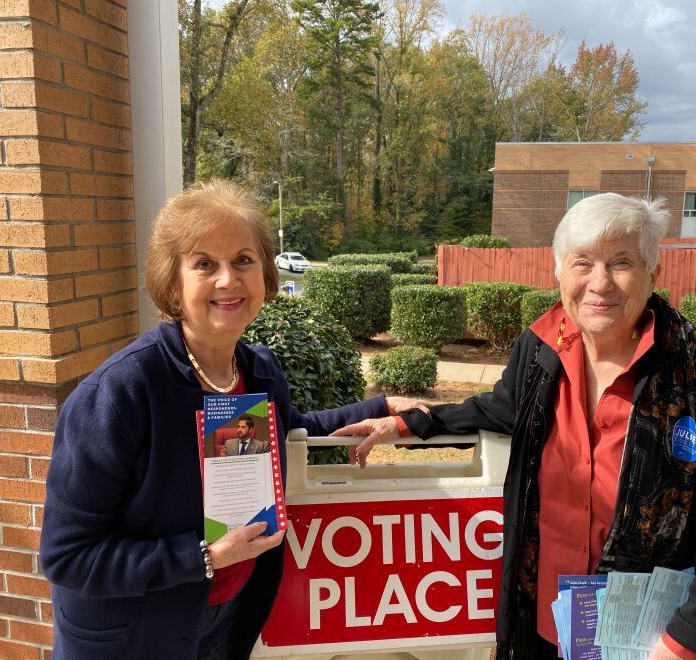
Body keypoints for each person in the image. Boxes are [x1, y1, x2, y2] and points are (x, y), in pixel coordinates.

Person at [334, 193, 696, 660]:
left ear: (653, 275)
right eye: (582, 263)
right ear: (559, 273)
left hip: (650, 639)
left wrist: (690, 640)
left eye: (621, 262)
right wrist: (407, 425)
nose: (600, 283)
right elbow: (503, 407)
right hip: (543, 619)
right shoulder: (540, 348)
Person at [40, 180, 426, 659]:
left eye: (243, 260)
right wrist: (201, 557)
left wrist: (376, 410)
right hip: (136, 635)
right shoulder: (121, 393)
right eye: (205, 264)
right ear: (173, 284)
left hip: (229, 615)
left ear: (264, 274)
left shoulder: (257, 369)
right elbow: (68, 556)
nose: (229, 279)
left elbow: (288, 430)